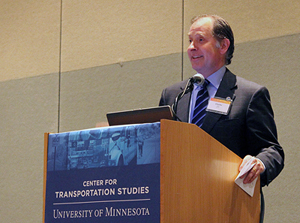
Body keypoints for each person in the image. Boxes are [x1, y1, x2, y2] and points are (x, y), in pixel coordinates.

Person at [159, 14, 284, 222]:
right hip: (177, 205)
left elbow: (272, 150)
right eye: (189, 41)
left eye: (200, 40)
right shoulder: (173, 95)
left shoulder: (249, 94)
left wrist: (260, 163)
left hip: (229, 206)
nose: (191, 47)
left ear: (223, 45)